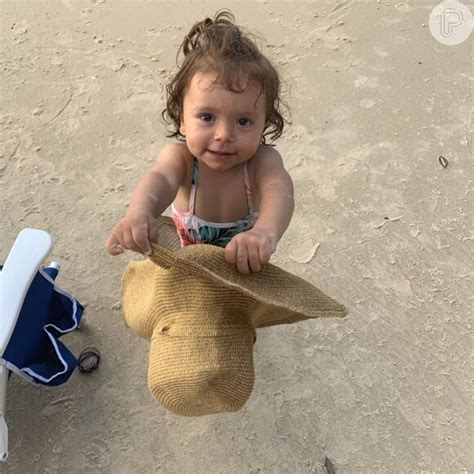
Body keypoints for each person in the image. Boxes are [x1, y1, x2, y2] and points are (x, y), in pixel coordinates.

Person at [105, 9, 294, 275]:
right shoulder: (181, 159)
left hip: (244, 272)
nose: (223, 135)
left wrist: (265, 233)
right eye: (207, 117)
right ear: (182, 118)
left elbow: (280, 191)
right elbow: (159, 180)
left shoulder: (261, 163)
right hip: (188, 270)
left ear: (264, 123)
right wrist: (139, 213)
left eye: (243, 121)